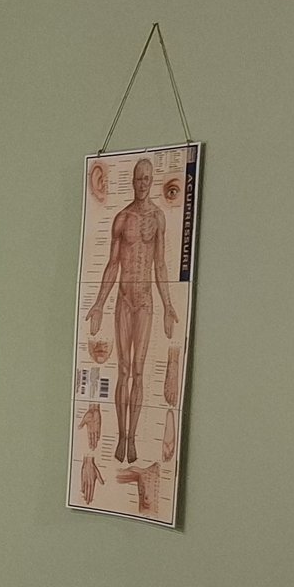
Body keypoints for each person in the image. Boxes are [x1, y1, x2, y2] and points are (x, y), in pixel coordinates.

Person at [85, 157, 179, 463]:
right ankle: (122, 435)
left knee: (138, 371)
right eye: (138, 179)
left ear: (151, 181)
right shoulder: (122, 219)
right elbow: (112, 265)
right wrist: (99, 303)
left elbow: (161, 264)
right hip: (124, 300)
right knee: (123, 370)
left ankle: (133, 438)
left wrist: (168, 305)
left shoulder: (158, 218)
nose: (142, 184)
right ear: (133, 181)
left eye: (146, 180)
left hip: (146, 302)